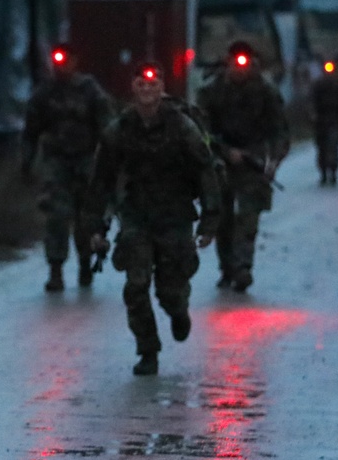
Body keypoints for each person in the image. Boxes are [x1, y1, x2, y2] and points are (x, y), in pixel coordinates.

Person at [84, 62, 220, 376]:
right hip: (136, 217)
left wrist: (210, 221)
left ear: (162, 88)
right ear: (133, 88)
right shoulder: (120, 129)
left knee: (169, 290)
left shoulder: (182, 126)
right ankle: (148, 351)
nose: (147, 91)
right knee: (136, 285)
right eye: (141, 85)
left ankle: (178, 311)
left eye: (153, 84)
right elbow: (101, 181)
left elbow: (205, 171)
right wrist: (95, 227)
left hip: (175, 217)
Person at [197, 41, 290, 292]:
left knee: (248, 216)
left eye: (245, 63)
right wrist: (224, 151)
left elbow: (280, 129)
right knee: (222, 218)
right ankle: (227, 268)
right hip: (221, 159)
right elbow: (200, 130)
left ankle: (243, 267)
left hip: (253, 158)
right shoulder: (212, 90)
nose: (240, 69)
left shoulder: (265, 91)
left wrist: (273, 160)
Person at [21, 44, 115, 292]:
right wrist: (27, 162)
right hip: (56, 162)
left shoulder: (90, 90)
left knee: (85, 218)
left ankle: (85, 263)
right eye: (57, 61)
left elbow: (107, 128)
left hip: (85, 160)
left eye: (66, 60)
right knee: (57, 216)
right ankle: (56, 270)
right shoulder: (44, 93)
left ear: (75, 61)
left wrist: (110, 162)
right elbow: (31, 130)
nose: (61, 66)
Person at [309, 60, 338, 186]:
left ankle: (332, 172)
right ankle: (324, 174)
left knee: (333, 148)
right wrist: (313, 115)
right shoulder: (318, 85)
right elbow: (312, 102)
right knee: (322, 148)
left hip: (334, 120)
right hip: (322, 121)